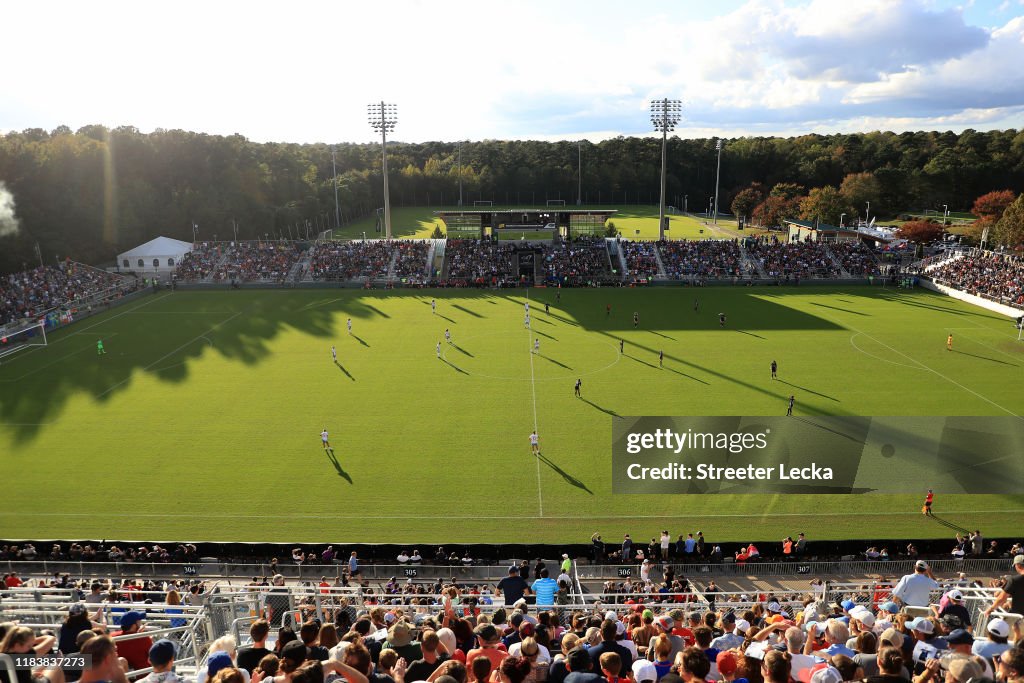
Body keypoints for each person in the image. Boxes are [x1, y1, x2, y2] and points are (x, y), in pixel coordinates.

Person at [982, 554, 1024, 619]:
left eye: (1015, 565)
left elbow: (1002, 598)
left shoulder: (1014, 580)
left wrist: (990, 609)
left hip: (1019, 614)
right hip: (1019, 614)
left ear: (1018, 565)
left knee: (1014, 625)